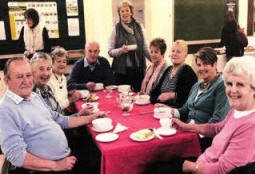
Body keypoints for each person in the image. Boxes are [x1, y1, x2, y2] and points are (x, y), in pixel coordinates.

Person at [0, 57, 105, 174]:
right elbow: (15, 155)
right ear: (6, 81)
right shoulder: (5, 109)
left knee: (99, 155)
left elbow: (59, 119)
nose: (26, 81)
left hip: (63, 158)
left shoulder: (34, 96)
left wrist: (91, 118)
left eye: (28, 75)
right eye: (19, 76)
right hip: (45, 169)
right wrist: (56, 165)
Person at [169, 56, 255, 174]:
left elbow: (224, 169)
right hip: (203, 161)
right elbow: (216, 128)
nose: (232, 90)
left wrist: (191, 167)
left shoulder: (251, 125)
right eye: (229, 84)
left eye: (240, 84)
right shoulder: (238, 110)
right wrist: (184, 126)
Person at [164, 47, 231, 124]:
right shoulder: (197, 85)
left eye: (205, 64)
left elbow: (218, 120)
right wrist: (169, 110)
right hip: (189, 127)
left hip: (203, 134)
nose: (201, 68)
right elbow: (184, 110)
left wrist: (191, 129)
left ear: (215, 64)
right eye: (199, 65)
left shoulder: (222, 85)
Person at [108, 0, 150, 92]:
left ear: (131, 12)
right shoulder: (115, 29)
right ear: (119, 13)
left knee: (139, 97)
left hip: (138, 70)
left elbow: (145, 48)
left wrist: (155, 59)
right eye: (122, 11)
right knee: (122, 98)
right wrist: (120, 50)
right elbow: (110, 52)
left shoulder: (140, 27)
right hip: (121, 72)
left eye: (127, 10)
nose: (125, 13)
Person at [150, 40, 197, 107]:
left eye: (178, 52)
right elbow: (155, 92)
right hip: (160, 109)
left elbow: (186, 99)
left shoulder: (188, 72)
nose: (174, 54)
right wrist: (157, 101)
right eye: (173, 51)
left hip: (176, 112)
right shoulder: (168, 69)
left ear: (185, 56)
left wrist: (171, 95)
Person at [48, 47, 81, 112]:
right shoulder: (48, 79)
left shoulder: (63, 77)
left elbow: (61, 96)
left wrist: (69, 93)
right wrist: (70, 100)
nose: (62, 64)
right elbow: (54, 107)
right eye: (59, 61)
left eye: (64, 61)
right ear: (52, 63)